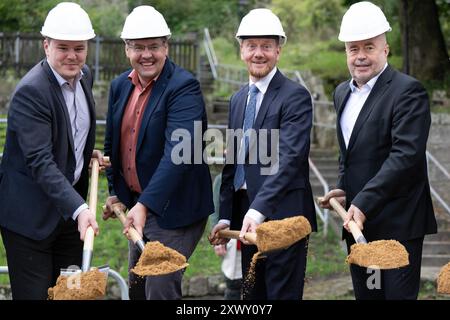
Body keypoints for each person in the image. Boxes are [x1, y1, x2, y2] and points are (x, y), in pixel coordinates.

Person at [319, 1, 437, 300]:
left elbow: (405, 157)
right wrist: (344, 189)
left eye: (369, 47)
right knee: (368, 295)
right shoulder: (341, 93)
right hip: (359, 225)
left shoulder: (407, 92)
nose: (360, 56)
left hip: (399, 223)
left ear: (385, 49)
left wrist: (363, 203)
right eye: (353, 48)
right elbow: (349, 153)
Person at [102, 5, 214, 300]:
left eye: (154, 46)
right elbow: (112, 145)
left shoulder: (183, 87)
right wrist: (117, 191)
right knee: (138, 287)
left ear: (166, 46)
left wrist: (145, 205)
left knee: (160, 287)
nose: (146, 54)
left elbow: (180, 154)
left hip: (176, 209)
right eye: (138, 47)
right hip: (140, 205)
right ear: (127, 49)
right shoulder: (119, 87)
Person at [209, 8, 317, 300]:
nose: (259, 53)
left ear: (278, 51)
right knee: (253, 295)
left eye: (266, 46)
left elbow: (290, 159)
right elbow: (233, 163)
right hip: (246, 214)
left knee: (280, 295)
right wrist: (226, 216)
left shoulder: (295, 96)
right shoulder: (238, 99)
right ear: (241, 50)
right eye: (252, 46)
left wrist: (258, 210)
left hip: (284, 214)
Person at [0, 2, 103, 300]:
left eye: (79, 48)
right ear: (46, 46)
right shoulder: (31, 92)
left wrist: (86, 154)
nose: (72, 56)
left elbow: (70, 133)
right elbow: (40, 161)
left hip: (68, 218)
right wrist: (81, 209)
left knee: (70, 295)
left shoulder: (85, 77)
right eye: (63, 48)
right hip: (29, 219)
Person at [211, 173, 242, 300]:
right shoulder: (222, 178)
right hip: (232, 235)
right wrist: (218, 237)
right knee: (233, 282)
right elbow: (215, 209)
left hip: (255, 233)